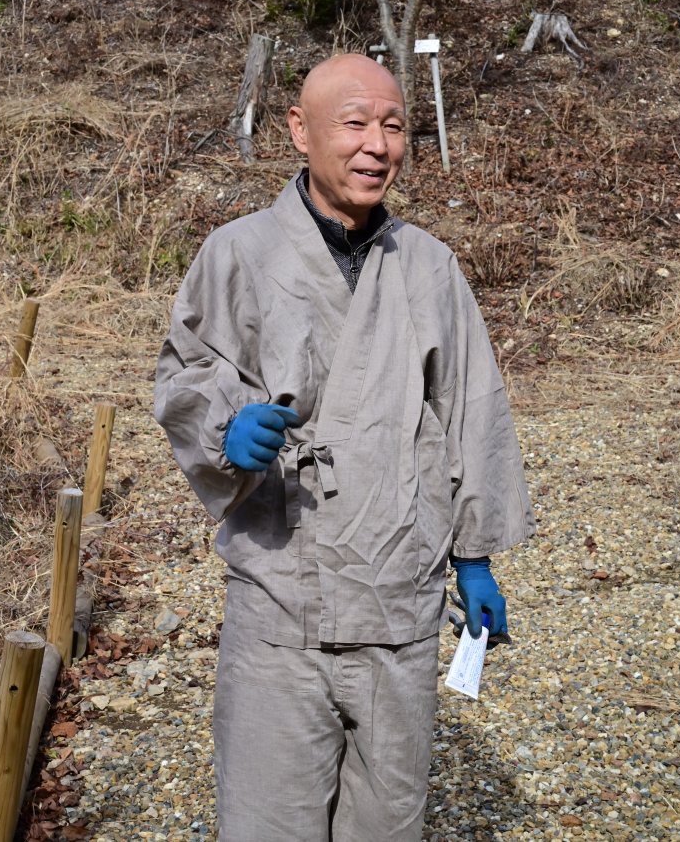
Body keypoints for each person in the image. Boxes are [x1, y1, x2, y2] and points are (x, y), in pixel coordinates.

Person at [155, 53, 535, 842]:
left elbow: (473, 409)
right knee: (269, 821)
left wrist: (475, 554)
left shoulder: (428, 266)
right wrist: (227, 428)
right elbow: (186, 372)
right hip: (280, 600)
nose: (377, 145)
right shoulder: (239, 252)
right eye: (354, 123)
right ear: (300, 131)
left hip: (400, 600)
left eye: (393, 126)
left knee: (387, 821)